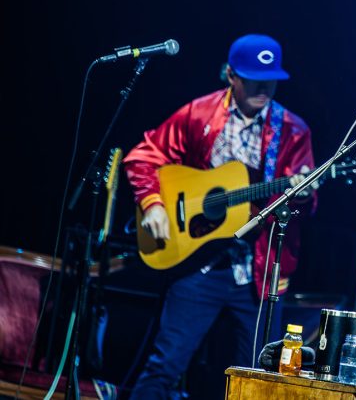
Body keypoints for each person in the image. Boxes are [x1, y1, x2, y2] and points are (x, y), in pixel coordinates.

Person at [123, 34, 316, 399]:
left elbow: (305, 206)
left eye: (270, 78)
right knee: (164, 366)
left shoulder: (292, 130)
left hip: (260, 272)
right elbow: (142, 156)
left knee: (259, 381)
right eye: (252, 77)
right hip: (200, 264)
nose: (263, 86)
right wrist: (154, 204)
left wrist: (304, 196)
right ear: (231, 75)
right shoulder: (199, 113)